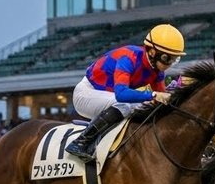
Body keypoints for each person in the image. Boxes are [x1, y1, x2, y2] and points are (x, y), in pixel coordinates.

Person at [64, 23, 186, 162]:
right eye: (167, 58)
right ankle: (80, 142)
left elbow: (162, 103)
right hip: (86, 94)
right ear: (152, 52)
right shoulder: (129, 57)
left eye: (175, 59)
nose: (170, 64)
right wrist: (153, 95)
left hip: (107, 98)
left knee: (146, 107)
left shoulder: (157, 72)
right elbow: (121, 94)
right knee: (127, 105)